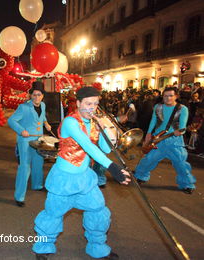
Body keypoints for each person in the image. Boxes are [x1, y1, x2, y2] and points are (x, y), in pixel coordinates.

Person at [32, 87, 130, 260]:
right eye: (88, 103)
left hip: (85, 179)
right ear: (78, 103)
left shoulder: (94, 122)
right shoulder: (70, 122)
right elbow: (88, 146)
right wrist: (113, 168)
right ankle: (44, 246)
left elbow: (106, 148)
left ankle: (97, 247)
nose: (92, 108)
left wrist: (108, 129)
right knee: (53, 214)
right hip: (65, 179)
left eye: (95, 104)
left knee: (98, 211)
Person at [134, 87, 196, 194]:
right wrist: (148, 133)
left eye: (171, 95)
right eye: (165, 96)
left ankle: (186, 184)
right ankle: (140, 176)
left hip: (174, 142)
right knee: (149, 159)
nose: (168, 98)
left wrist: (180, 132)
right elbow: (153, 120)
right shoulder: (158, 107)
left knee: (181, 163)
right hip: (158, 140)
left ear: (176, 96)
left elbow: (183, 126)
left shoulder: (182, 109)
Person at [8, 81, 52, 207]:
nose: (37, 97)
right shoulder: (24, 107)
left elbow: (42, 117)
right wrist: (21, 131)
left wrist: (46, 124)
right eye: (34, 95)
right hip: (25, 141)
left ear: (43, 95)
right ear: (31, 95)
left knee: (38, 163)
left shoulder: (43, 105)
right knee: (25, 167)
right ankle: (19, 196)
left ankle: (37, 185)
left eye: (39, 95)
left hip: (38, 140)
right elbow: (11, 121)